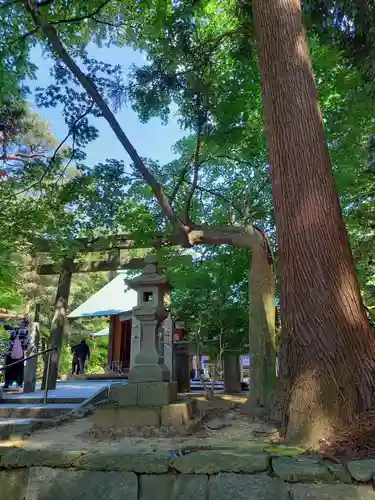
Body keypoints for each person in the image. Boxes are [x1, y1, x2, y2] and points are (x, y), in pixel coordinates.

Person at [3, 318, 29, 389]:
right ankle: (7, 382)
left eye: (22, 323)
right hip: (11, 352)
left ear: (25, 324)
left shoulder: (25, 331)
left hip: (19, 352)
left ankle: (19, 383)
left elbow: (25, 342)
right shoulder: (15, 330)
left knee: (19, 368)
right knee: (8, 368)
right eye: (20, 322)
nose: (20, 324)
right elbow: (10, 337)